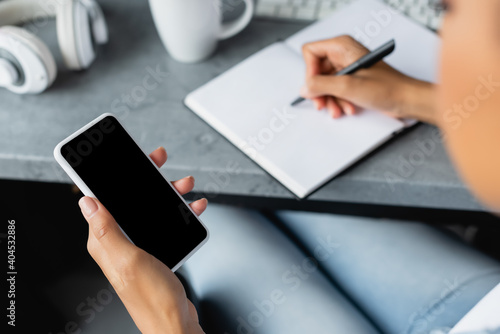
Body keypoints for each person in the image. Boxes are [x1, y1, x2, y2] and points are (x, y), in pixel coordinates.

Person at [76, 0, 500, 333]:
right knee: (228, 202)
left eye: (447, 10)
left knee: (220, 211)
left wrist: (168, 323)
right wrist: (413, 95)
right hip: (480, 306)